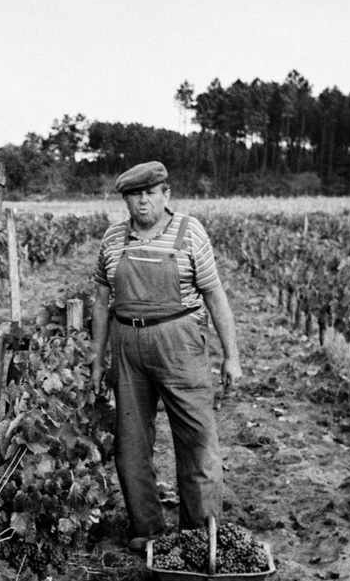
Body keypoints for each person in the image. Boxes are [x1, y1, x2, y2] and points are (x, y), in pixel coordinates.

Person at [90, 161, 241, 552]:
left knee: (197, 439)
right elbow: (102, 299)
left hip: (180, 343)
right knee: (131, 443)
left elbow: (214, 295)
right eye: (134, 195)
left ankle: (197, 534)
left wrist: (231, 355)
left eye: (150, 193)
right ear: (125, 199)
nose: (142, 201)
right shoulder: (112, 239)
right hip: (127, 344)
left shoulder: (189, 232)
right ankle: (148, 530)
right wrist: (96, 357)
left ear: (166, 195)